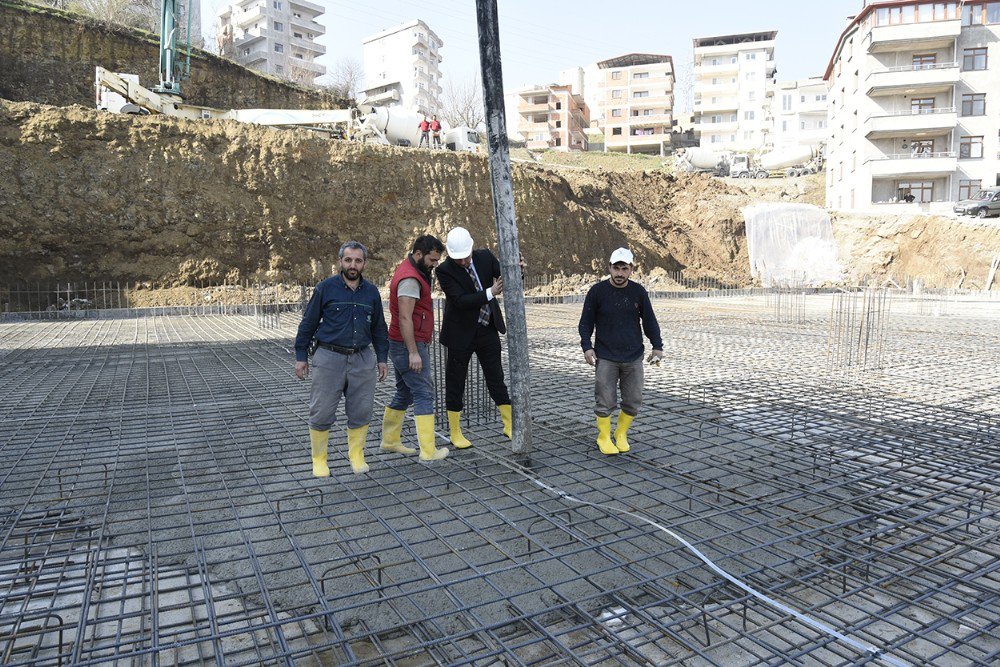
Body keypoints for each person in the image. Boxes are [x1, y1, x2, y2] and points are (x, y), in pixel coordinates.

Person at [295, 241, 389, 476]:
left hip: (362, 358)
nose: (353, 265)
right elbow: (308, 324)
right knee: (322, 411)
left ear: (364, 264)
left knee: (361, 410)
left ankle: (356, 456)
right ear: (340, 262)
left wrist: (382, 358)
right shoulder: (325, 288)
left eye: (358, 260)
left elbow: (379, 328)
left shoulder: (371, 292)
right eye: (348, 260)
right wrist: (300, 356)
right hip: (329, 358)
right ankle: (319, 460)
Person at [578, 248, 663, 455]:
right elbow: (585, 322)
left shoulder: (638, 292)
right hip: (606, 356)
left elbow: (649, 321)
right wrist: (586, 346)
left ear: (631, 270)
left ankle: (621, 433)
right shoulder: (597, 292)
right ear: (609, 268)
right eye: (616, 268)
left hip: (633, 356)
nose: (619, 273)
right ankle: (604, 437)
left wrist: (657, 346)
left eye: (624, 268)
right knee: (605, 400)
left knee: (633, 400)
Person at [436, 227, 512, 448]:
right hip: (460, 333)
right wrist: (490, 292)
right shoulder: (444, 271)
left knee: (496, 377)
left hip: (487, 328)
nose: (463, 262)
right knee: (456, 381)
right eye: (457, 258)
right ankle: (455, 431)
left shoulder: (485, 257)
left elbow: (505, 275)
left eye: (465, 257)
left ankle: (509, 423)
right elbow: (460, 301)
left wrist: (517, 269)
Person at [380, 234, 450, 461]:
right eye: (432, 259)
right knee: (423, 392)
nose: (435, 264)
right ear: (418, 254)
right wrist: (413, 352)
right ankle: (429, 451)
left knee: (405, 391)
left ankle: (390, 441)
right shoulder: (410, 279)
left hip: (405, 342)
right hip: (407, 344)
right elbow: (405, 318)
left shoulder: (416, 270)